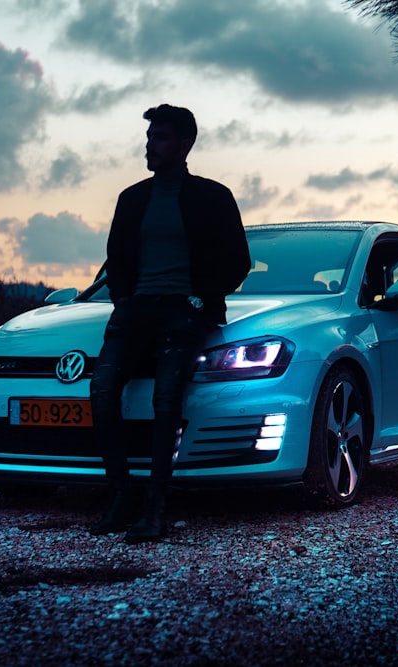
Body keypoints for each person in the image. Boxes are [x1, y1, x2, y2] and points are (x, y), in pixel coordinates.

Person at [88, 104, 251, 543]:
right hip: (135, 310)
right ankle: (120, 495)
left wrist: (200, 298)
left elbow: (239, 260)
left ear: (184, 144)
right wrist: (123, 300)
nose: (150, 145)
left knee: (166, 401)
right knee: (101, 389)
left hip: (185, 310)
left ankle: (155, 509)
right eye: (149, 137)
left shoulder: (213, 197)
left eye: (160, 137)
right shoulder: (132, 198)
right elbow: (116, 259)